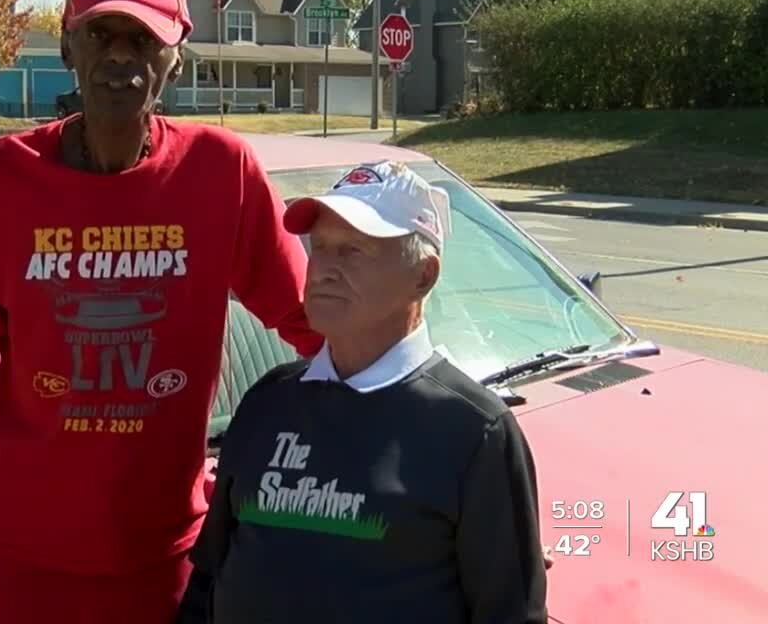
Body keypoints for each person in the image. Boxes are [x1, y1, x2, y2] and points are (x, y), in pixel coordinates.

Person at [0, 0, 323, 624]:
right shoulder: (1, 179)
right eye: (100, 34)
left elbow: (316, 325)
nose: (120, 56)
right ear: (68, 46)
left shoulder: (221, 172)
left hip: (158, 563)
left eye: (144, 39)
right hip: (19, 560)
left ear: (174, 58)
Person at [175, 160, 550, 624]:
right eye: (321, 248)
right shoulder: (268, 402)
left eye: (354, 250)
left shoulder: (476, 431)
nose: (324, 270)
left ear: (423, 275)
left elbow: (510, 613)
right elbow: (209, 576)